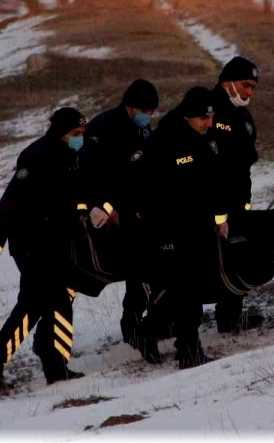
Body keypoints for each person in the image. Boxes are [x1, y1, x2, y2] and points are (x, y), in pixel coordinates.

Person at [0, 108, 90, 390]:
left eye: (82, 135)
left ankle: (49, 365)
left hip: (55, 243)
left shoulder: (70, 155)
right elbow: (12, 200)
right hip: (32, 245)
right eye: (75, 135)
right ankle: (0, 367)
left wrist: (81, 212)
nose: (79, 140)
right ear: (61, 133)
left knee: (45, 303)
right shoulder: (37, 156)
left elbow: (74, 193)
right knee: (45, 303)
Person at [131, 87, 229, 368]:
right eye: (203, 119)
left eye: (210, 119)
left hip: (199, 226)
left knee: (187, 288)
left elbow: (213, 181)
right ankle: (188, 350)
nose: (208, 124)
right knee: (185, 289)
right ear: (187, 116)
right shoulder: (163, 141)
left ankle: (148, 331)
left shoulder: (206, 138)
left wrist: (219, 219)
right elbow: (144, 187)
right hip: (169, 228)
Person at [81, 79, 159, 349]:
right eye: (145, 111)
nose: (148, 117)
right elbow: (94, 175)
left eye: (151, 113)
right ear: (130, 106)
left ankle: (138, 322)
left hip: (138, 211)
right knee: (142, 266)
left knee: (146, 267)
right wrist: (106, 206)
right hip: (109, 214)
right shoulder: (104, 129)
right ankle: (134, 325)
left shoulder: (142, 128)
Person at [209, 57, 266, 333]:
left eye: (253, 88)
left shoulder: (244, 115)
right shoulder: (207, 108)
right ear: (227, 81)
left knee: (237, 254)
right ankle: (177, 321)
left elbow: (245, 158)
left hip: (237, 198)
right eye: (245, 85)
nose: (249, 93)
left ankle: (229, 317)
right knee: (198, 261)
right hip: (206, 201)